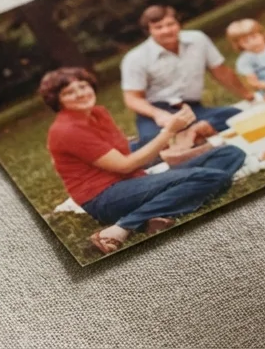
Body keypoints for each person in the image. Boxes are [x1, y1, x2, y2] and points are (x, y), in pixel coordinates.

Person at [40, 67, 247, 255]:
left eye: (82, 86)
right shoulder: (68, 130)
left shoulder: (96, 113)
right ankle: (121, 227)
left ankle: (152, 216)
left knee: (230, 153)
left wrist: (176, 144)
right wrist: (168, 132)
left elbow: (124, 150)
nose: (80, 94)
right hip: (105, 197)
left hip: (133, 180)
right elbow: (125, 164)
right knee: (212, 178)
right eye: (69, 92)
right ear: (57, 101)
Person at [121, 5, 255, 144]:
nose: (166, 30)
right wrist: (159, 115)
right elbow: (132, 99)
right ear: (149, 31)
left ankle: (193, 134)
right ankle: (190, 136)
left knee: (237, 116)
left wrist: (248, 95)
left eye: (170, 24)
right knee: (154, 143)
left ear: (178, 23)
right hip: (157, 112)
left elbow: (221, 71)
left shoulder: (198, 39)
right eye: (158, 27)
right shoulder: (135, 58)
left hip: (193, 109)